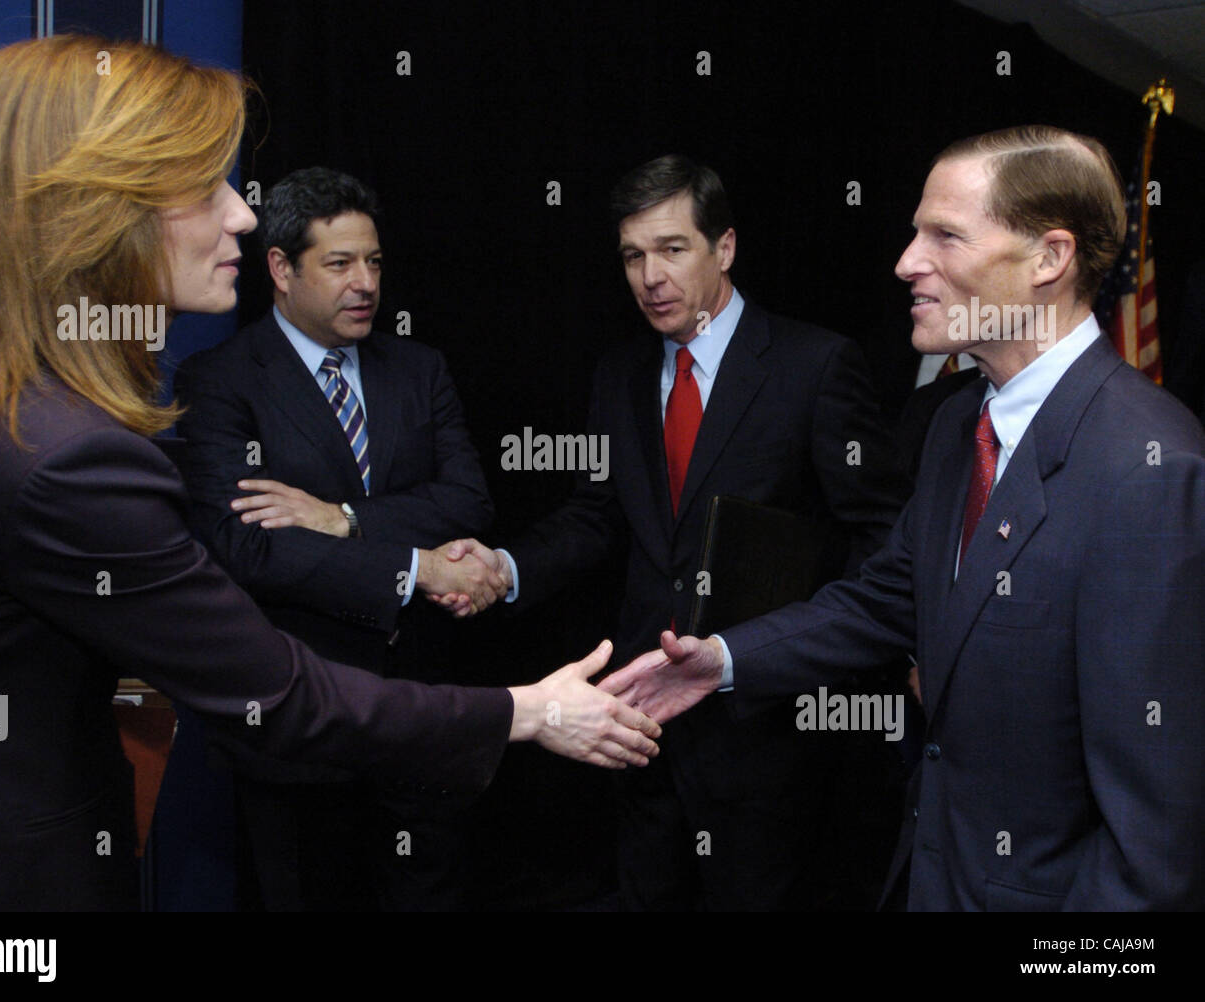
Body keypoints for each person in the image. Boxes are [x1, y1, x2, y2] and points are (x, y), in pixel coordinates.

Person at [0, 34, 659, 912]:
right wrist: (528, 711)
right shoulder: (71, 455)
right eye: (200, 187)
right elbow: (277, 689)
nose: (240, 214)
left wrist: (340, 520)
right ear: (94, 207)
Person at [602, 126, 1205, 910]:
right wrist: (719, 659)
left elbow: (1156, 842)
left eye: (945, 236)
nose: (906, 262)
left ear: (1050, 260)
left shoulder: (1149, 467)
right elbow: (887, 597)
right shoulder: (958, 428)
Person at [435, 155, 910, 909]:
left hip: (766, 729)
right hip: (638, 721)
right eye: (633, 255)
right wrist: (503, 564)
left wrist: (804, 660)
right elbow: (595, 516)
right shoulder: (619, 375)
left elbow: (878, 538)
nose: (649, 275)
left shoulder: (814, 365)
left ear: (723, 248)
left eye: (672, 248)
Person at [174, 168, 501, 909]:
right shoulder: (220, 381)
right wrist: (413, 567)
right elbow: (248, 548)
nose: (365, 284)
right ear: (281, 270)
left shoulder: (419, 368)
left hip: (424, 713)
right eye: (340, 264)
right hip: (300, 726)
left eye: (375, 263)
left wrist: (343, 518)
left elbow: (468, 499)